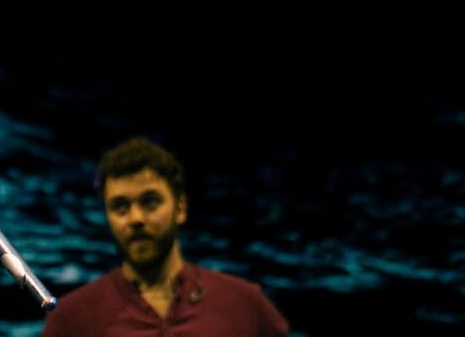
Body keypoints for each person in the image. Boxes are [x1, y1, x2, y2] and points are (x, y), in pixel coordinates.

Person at [44, 138, 288, 336]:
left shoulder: (245, 305)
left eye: (150, 202)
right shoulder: (71, 320)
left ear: (180, 208)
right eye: (120, 206)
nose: (136, 218)